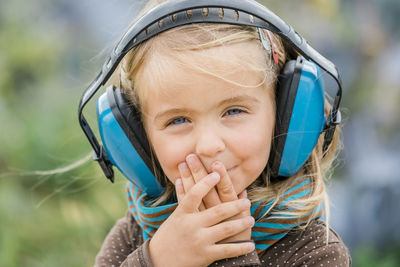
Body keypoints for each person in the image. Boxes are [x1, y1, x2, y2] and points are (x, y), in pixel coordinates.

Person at [85, 0, 351, 266]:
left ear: (284, 116)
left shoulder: (316, 251)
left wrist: (232, 254)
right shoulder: (137, 230)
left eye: (234, 111)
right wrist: (156, 259)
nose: (208, 145)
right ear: (138, 138)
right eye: (178, 120)